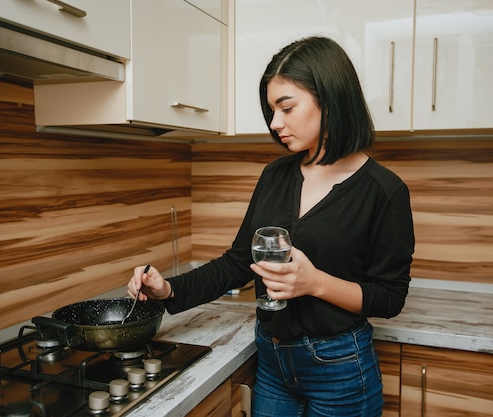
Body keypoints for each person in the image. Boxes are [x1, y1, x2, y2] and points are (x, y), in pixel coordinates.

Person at [128, 36, 414, 417]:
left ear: (329, 99)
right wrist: (168, 289)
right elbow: (238, 261)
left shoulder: (384, 191)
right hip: (272, 358)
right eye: (271, 110)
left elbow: (390, 297)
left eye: (287, 107)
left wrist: (315, 283)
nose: (275, 123)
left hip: (340, 369)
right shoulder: (276, 174)